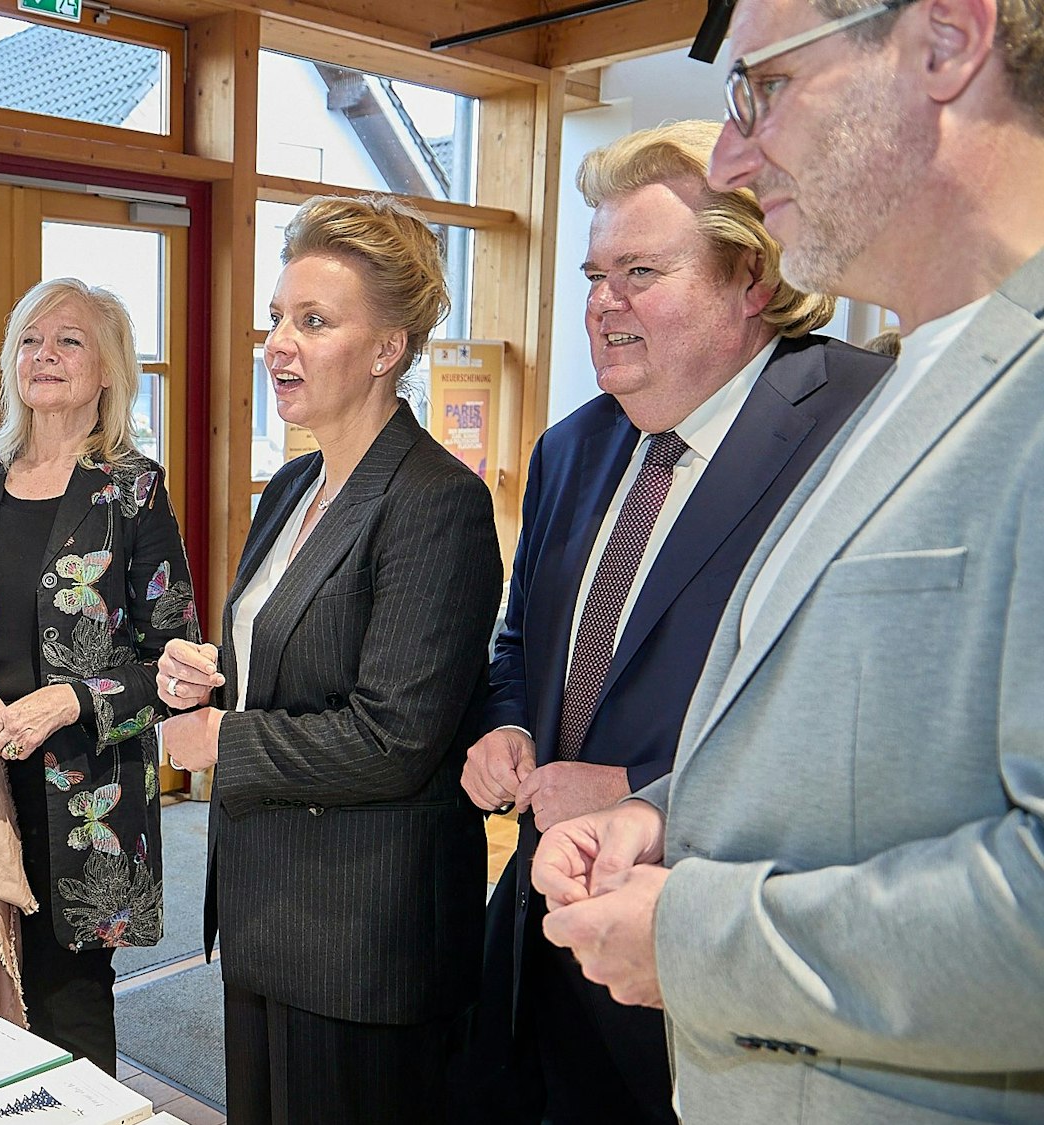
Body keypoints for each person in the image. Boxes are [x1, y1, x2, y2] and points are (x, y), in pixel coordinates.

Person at [535, 0, 1044, 1120]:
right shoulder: (910, 371)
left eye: (763, 87)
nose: (729, 151)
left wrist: (694, 935)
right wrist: (671, 813)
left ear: (946, 41)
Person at [450, 121, 888, 1125]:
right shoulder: (572, 447)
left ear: (749, 277)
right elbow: (519, 643)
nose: (602, 303)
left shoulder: (857, 427)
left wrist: (647, 795)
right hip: (542, 940)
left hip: (718, 976)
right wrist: (509, 728)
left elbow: (861, 723)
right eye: (595, 273)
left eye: (639, 270)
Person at [158, 195, 502, 1122]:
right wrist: (200, 672)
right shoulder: (294, 485)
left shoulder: (435, 502)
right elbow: (273, 661)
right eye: (276, 317)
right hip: (270, 907)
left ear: (388, 348)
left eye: (313, 322)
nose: (278, 343)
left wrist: (224, 741)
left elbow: (394, 736)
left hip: (362, 931)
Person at [0, 278, 199, 1071]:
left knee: (74, 1002)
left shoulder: (134, 490)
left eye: (69, 340)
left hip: (90, 789)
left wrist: (71, 698)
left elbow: (175, 659)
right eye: (30, 339)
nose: (45, 355)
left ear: (106, 371)